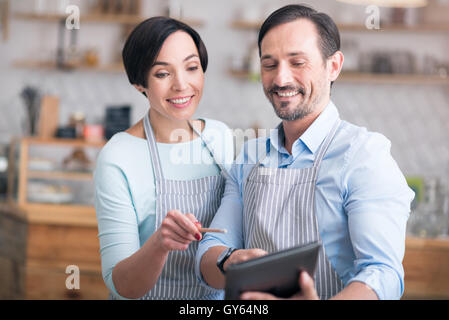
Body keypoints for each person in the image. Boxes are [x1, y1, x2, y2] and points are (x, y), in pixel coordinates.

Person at [196, 4, 414, 300]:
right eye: (269, 64)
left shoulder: (364, 155)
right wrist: (229, 262)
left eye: (297, 62)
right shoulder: (250, 156)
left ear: (333, 66)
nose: (281, 79)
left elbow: (382, 272)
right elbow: (210, 251)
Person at [94, 16, 233, 300]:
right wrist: (160, 242)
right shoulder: (118, 156)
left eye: (192, 68)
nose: (181, 85)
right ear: (139, 83)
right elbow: (121, 286)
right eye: (162, 73)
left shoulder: (220, 137)